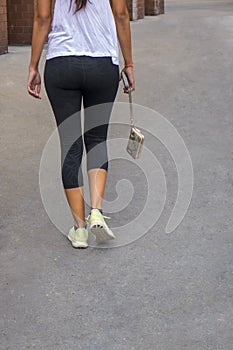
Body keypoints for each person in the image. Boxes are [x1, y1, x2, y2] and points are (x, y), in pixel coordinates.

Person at [27, 0, 135, 249]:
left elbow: (42, 18)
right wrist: (128, 63)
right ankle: (96, 211)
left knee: (71, 144)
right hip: (102, 64)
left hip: (62, 64)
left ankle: (79, 230)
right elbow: (121, 15)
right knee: (97, 139)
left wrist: (33, 66)